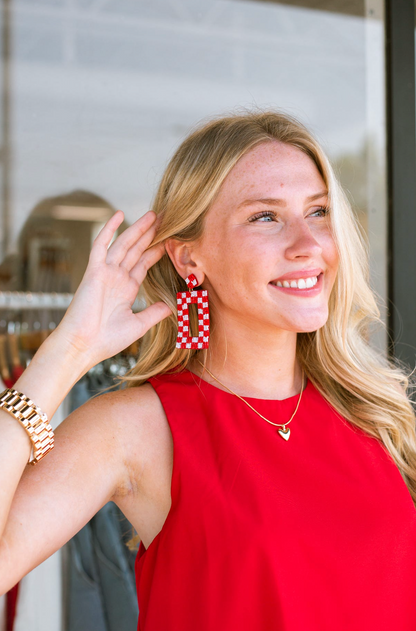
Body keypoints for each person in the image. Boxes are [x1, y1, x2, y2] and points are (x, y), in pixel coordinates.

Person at [1, 110, 416, 630]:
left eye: (318, 212)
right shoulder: (139, 427)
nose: (308, 244)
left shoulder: (370, 410)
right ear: (189, 259)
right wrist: (72, 348)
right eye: (265, 216)